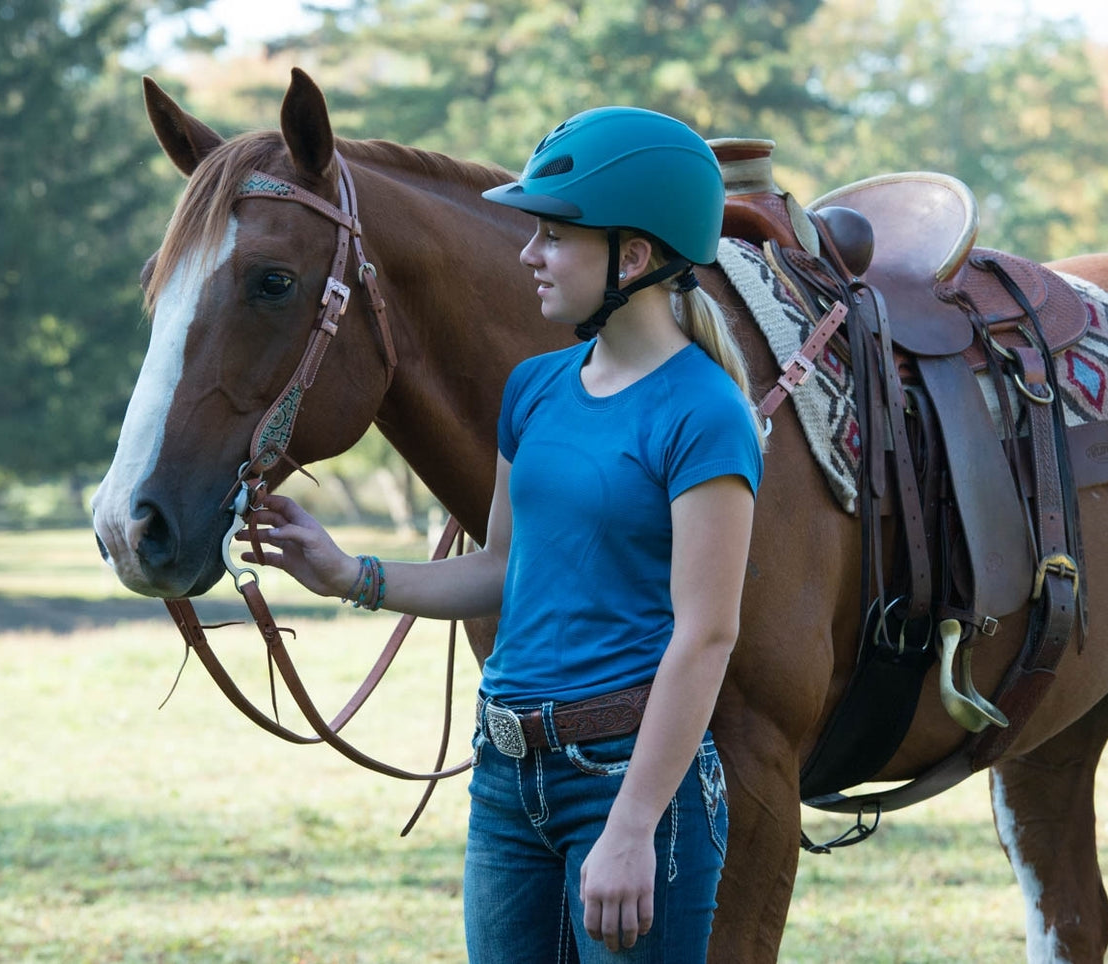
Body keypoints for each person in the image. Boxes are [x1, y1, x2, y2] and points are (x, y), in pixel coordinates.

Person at [246, 106, 763, 962]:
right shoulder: (533, 389)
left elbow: (706, 636)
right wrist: (346, 574)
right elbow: (501, 569)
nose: (527, 253)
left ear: (631, 257)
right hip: (506, 778)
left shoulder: (705, 413)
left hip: (628, 786)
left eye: (554, 235)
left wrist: (633, 827)